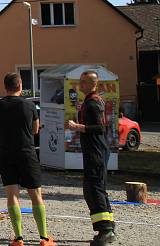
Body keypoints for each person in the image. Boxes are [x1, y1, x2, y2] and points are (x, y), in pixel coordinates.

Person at [0, 73, 55, 246]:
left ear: (5, 87)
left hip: (5, 153)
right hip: (26, 152)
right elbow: (35, 130)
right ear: (20, 86)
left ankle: (18, 237)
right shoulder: (29, 105)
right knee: (35, 194)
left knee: (12, 194)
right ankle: (44, 237)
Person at [68, 70, 115, 245]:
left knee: (93, 189)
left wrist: (77, 127)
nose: (80, 85)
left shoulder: (94, 103)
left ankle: (106, 230)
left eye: (84, 82)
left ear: (93, 84)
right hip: (95, 151)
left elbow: (99, 128)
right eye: (80, 81)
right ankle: (108, 227)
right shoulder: (90, 101)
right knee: (97, 188)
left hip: (96, 152)